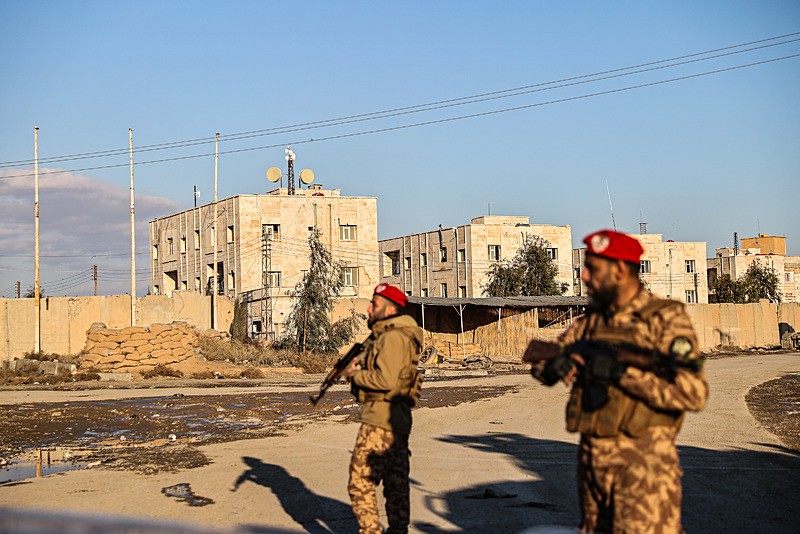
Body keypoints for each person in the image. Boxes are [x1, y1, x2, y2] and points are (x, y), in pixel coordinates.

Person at [528, 229, 708, 533]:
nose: (584, 276)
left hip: (644, 469)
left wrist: (621, 374)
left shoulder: (664, 319)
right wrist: (554, 366)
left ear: (621, 271)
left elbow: (692, 393)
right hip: (593, 465)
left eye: (593, 269)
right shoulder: (590, 324)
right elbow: (543, 360)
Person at [344, 283, 423, 534]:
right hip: (397, 420)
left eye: (374, 304)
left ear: (389, 310)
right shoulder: (398, 334)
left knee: (360, 482)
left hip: (380, 420)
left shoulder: (392, 337)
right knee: (395, 484)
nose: (368, 309)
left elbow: (386, 380)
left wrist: (357, 375)